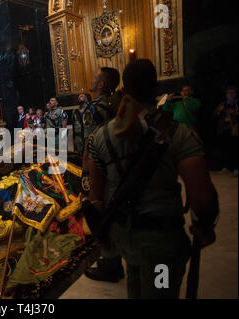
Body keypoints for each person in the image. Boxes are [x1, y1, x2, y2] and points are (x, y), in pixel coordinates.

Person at [85, 59, 218, 298]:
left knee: (136, 287)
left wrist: (104, 235)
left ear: (124, 91)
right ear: (157, 89)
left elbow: (94, 198)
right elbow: (202, 200)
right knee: (160, 292)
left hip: (125, 240)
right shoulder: (180, 134)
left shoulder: (98, 138)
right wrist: (205, 227)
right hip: (161, 246)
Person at [84, 67, 124, 282]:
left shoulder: (96, 108)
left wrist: (86, 172)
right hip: (118, 166)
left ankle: (111, 262)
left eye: (94, 77)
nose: (91, 79)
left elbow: (92, 143)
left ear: (101, 85)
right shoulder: (117, 103)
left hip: (101, 168)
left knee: (98, 212)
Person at [214, 85, 238, 177]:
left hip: (234, 129)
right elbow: (214, 115)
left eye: (233, 93)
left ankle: (236, 168)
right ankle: (226, 167)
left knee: (235, 149)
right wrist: (219, 111)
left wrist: (235, 113)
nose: (231, 95)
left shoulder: (236, 104)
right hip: (223, 129)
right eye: (229, 93)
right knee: (224, 149)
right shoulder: (223, 104)